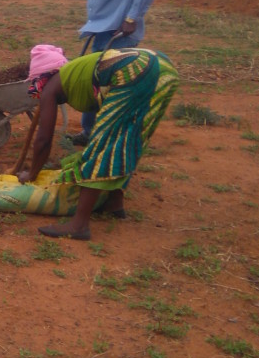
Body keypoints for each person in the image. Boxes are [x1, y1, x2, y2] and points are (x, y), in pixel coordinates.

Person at [17, 44, 178, 240]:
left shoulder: (50, 87)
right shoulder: (76, 73)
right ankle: (114, 202)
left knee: (103, 143)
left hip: (136, 68)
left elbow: (43, 139)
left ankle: (79, 225)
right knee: (128, 136)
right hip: (163, 67)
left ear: (41, 77)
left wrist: (32, 174)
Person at [73, 0, 163, 146]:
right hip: (101, 30)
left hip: (120, 34)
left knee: (112, 87)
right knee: (95, 83)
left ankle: (113, 137)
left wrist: (132, 18)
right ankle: (89, 132)